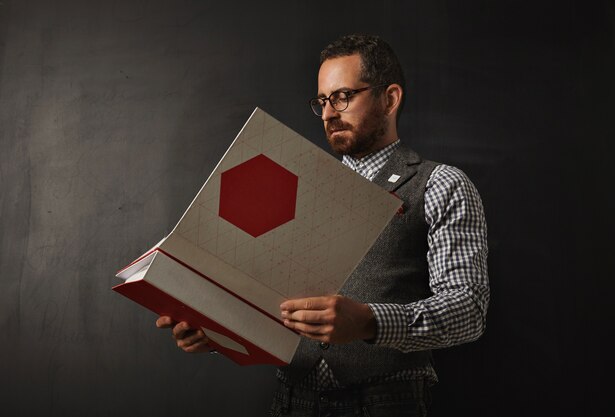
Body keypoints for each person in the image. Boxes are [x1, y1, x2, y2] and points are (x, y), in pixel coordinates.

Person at [157, 34, 489, 417]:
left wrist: (369, 321)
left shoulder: (441, 184)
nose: (329, 113)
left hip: (387, 402)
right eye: (322, 101)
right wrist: (220, 332)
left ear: (390, 98)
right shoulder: (298, 184)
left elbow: (468, 311)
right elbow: (270, 300)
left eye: (343, 96)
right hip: (292, 400)